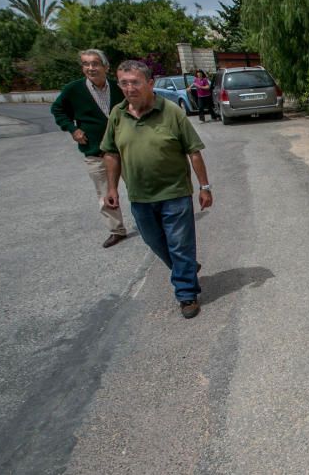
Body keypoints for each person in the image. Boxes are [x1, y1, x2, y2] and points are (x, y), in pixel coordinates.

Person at [102, 60, 213, 319]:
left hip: (175, 192)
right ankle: (185, 267)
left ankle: (186, 294)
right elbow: (110, 153)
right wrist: (111, 187)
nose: (130, 88)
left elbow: (193, 152)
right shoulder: (118, 115)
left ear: (150, 83)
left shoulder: (171, 112)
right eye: (124, 83)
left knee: (179, 244)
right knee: (155, 242)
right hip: (140, 196)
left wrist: (204, 187)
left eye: (135, 82)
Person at [51, 49, 128, 248]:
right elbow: (57, 110)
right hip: (96, 152)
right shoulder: (73, 90)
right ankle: (116, 229)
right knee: (104, 192)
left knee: (138, 187)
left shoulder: (118, 87)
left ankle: (149, 223)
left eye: (95, 63)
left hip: (125, 150)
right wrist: (72, 129)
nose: (90, 68)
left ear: (106, 67)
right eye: (86, 64)